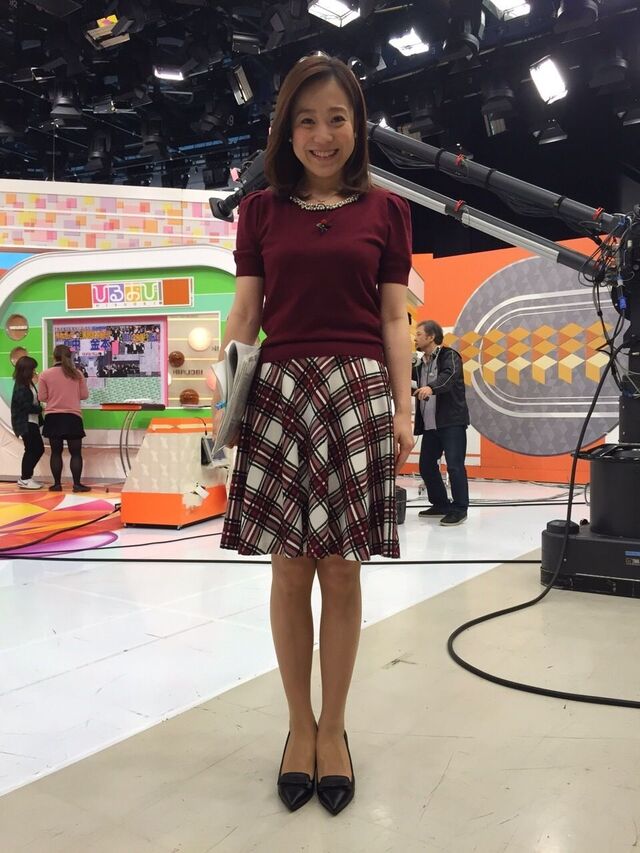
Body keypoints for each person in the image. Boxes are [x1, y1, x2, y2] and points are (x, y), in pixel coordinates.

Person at [215, 54, 414, 815]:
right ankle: (298, 726)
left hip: (357, 392)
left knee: (342, 570)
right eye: (307, 120)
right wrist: (226, 408)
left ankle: (335, 729)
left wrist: (404, 409)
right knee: (290, 569)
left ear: (357, 126)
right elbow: (244, 315)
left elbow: (394, 318)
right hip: (278, 394)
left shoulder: (388, 211)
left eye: (336, 119)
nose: (322, 135)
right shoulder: (260, 211)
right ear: (286, 130)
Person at [413, 319, 470, 526]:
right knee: (426, 466)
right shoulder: (419, 364)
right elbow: (412, 385)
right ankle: (441, 504)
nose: (415, 338)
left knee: (454, 466)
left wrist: (431, 387)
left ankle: (460, 509)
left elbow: (449, 377)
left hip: (451, 422)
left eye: (419, 334)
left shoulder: (450, 356)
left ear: (431, 337)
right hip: (430, 425)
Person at [38, 344, 91, 493]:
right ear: (70, 357)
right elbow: (84, 395)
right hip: (73, 417)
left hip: (53, 418)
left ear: (53, 356)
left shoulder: (45, 374)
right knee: (76, 453)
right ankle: (77, 485)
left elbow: (41, 397)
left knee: (56, 453)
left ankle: (57, 484)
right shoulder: (77, 374)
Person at [11, 355, 45, 490]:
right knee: (34, 449)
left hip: (32, 422)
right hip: (26, 423)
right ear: (26, 370)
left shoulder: (27, 383)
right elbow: (26, 407)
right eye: (33, 369)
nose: (35, 372)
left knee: (34, 449)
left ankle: (26, 477)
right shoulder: (21, 387)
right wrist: (41, 408)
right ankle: (25, 478)